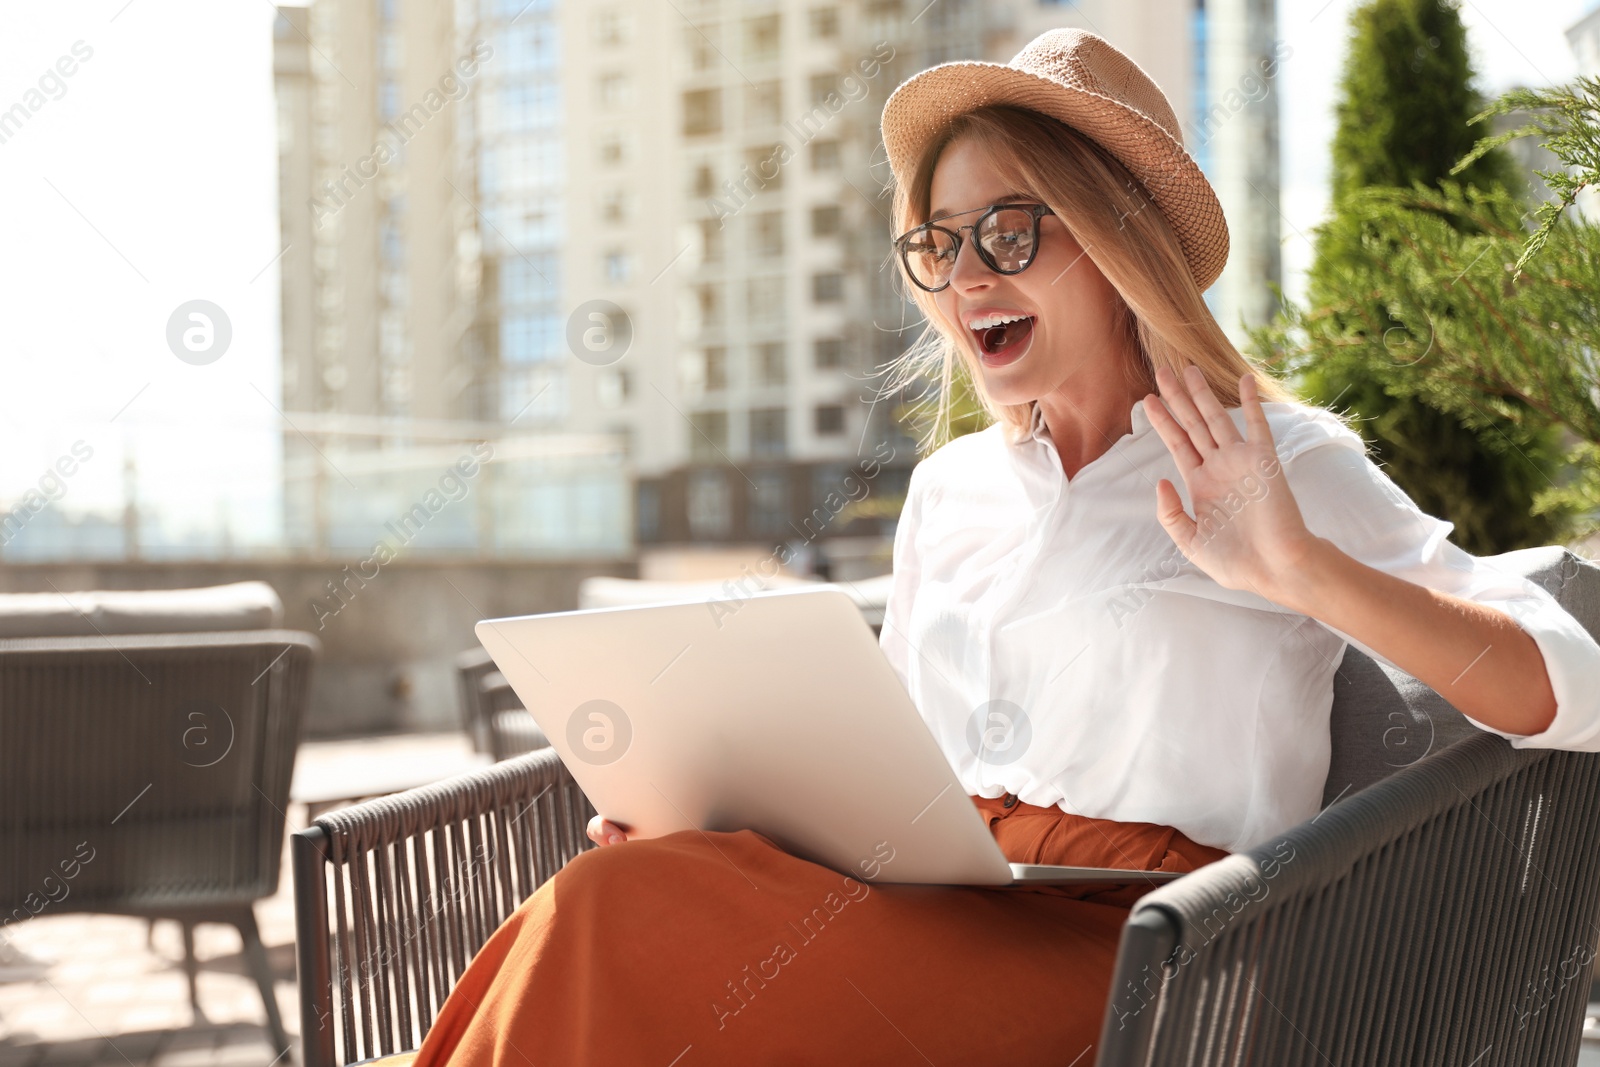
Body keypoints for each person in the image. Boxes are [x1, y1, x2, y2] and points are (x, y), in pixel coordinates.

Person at [404, 28, 1600, 1067]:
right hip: (942, 901)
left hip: (1152, 955)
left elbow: (1575, 689)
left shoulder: (1271, 459)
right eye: (938, 241)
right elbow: (910, 785)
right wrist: (715, 819)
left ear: (1120, 240)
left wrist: (1296, 567)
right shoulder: (951, 491)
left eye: (1011, 232)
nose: (967, 274)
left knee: (616, 929)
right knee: (622, 895)